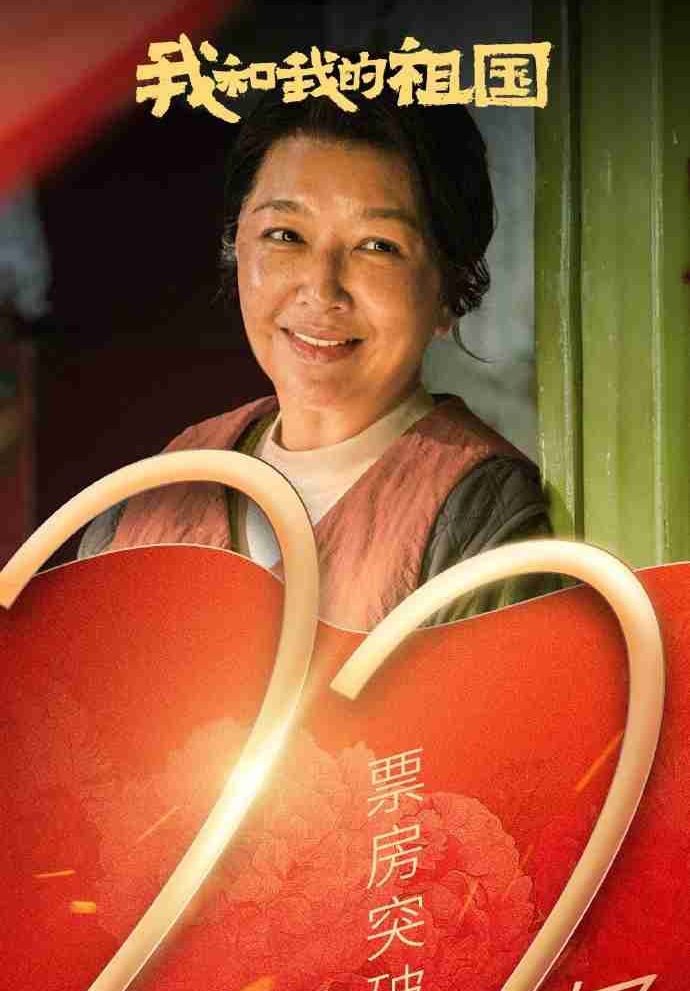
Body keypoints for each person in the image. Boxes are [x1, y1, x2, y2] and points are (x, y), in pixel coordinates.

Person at [78, 86, 558, 630]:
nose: (322, 289)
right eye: (286, 235)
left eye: (378, 245)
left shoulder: (480, 519)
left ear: (450, 289)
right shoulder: (160, 487)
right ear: (236, 249)